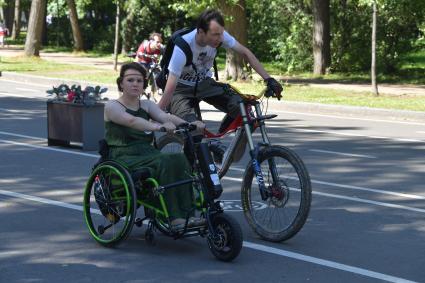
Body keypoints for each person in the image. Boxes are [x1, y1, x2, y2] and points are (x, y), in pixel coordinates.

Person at [157, 8, 283, 162]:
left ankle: (225, 154)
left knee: (243, 109)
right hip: (180, 89)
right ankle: (195, 171)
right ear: (201, 32)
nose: (220, 38)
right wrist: (153, 115)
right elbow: (169, 90)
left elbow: (245, 53)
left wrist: (268, 79)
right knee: (194, 129)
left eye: (221, 34)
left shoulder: (220, 36)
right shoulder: (182, 48)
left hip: (203, 83)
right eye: (215, 35)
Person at [104, 62, 205, 228]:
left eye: (139, 80)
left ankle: (187, 214)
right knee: (164, 162)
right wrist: (157, 127)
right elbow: (132, 120)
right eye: (130, 80)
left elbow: (166, 116)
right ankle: (173, 218)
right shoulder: (112, 106)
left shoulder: (146, 104)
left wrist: (189, 124)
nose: (135, 84)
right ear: (121, 83)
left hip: (147, 152)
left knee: (179, 159)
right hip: (124, 155)